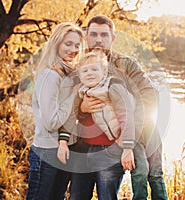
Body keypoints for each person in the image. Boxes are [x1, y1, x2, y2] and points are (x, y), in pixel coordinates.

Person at [78, 15, 168, 199]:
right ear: (86, 36)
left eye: (104, 35)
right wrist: (82, 108)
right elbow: (67, 104)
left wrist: (127, 135)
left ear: (112, 38)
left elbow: (149, 96)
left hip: (126, 136)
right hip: (89, 145)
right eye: (93, 34)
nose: (98, 39)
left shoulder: (126, 64)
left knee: (147, 178)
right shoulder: (79, 65)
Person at [63, 49, 137, 200]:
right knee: (77, 195)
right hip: (83, 151)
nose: (89, 73)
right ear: (80, 76)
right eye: (85, 70)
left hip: (109, 151)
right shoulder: (80, 92)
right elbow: (70, 116)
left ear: (104, 73)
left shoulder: (113, 87)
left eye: (95, 69)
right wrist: (63, 141)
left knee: (106, 196)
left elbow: (127, 116)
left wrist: (128, 148)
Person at [25, 22, 83, 200]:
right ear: (56, 44)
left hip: (65, 149)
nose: (73, 49)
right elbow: (51, 122)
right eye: (68, 44)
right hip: (47, 150)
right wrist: (73, 96)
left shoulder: (69, 73)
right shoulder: (51, 75)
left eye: (77, 45)